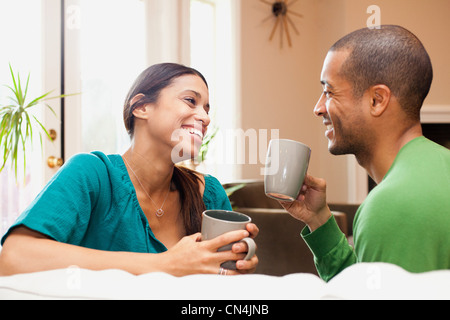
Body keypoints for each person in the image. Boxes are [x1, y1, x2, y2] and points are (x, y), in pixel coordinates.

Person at [0, 63, 259, 276]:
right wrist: (166, 264)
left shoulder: (208, 193)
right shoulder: (92, 174)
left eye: (206, 108)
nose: (205, 117)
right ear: (141, 107)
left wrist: (235, 265)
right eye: (190, 101)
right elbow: (13, 257)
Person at [280, 25, 450, 282]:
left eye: (329, 91)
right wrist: (319, 219)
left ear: (377, 100)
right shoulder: (440, 165)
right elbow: (362, 286)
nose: (318, 108)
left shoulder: (392, 205)